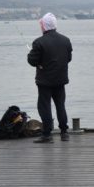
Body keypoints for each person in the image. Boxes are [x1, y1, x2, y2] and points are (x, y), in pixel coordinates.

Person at [27, 13, 73, 143]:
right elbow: (68, 58)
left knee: (44, 107)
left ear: (45, 25)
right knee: (60, 105)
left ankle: (47, 134)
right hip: (60, 80)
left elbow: (32, 61)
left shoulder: (38, 42)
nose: (40, 26)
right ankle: (64, 133)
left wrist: (32, 55)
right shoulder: (66, 40)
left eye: (41, 24)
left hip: (45, 81)